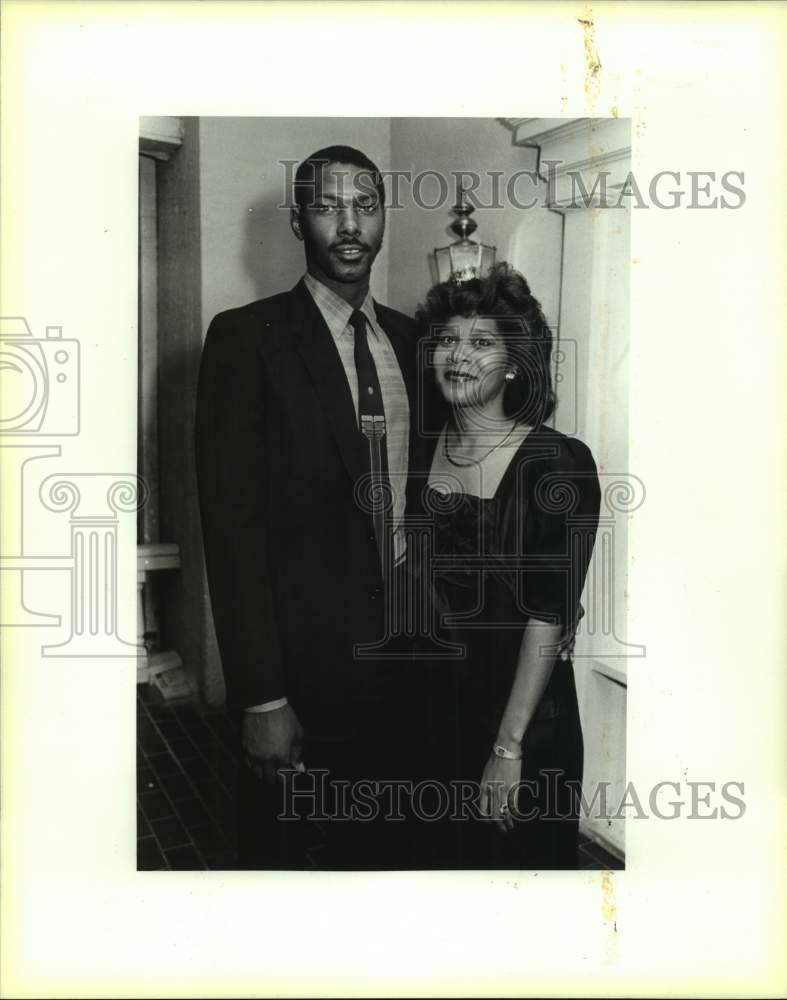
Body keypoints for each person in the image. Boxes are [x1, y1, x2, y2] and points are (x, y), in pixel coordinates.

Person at [194, 145, 418, 869]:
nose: (348, 225)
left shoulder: (413, 343)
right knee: (277, 870)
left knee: (380, 859)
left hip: (402, 667)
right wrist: (260, 699)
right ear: (298, 221)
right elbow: (231, 532)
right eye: (327, 206)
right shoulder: (245, 338)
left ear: (383, 216)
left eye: (365, 204)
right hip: (295, 676)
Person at [409, 262, 601, 869]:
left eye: (482, 342)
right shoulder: (419, 451)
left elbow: (549, 615)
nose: (459, 355)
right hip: (435, 719)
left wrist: (508, 748)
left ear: (516, 363)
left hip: (522, 726)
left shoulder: (557, 463)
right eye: (448, 338)